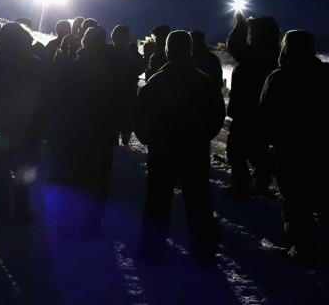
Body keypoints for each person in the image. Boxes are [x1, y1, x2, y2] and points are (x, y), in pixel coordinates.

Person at [135, 30, 226, 267]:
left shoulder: (156, 81)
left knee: (157, 201)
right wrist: (203, 136)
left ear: (167, 51)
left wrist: (148, 139)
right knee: (198, 201)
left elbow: (140, 115)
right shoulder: (204, 82)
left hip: (162, 151)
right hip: (194, 151)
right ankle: (205, 253)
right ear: (190, 50)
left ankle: (151, 250)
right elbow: (217, 115)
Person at [260, 30, 329, 267]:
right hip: (322, 150)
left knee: (296, 204)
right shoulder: (325, 74)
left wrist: (268, 147)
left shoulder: (279, 77)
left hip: (291, 152)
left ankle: (302, 250)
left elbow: (266, 116)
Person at [55, 26, 121, 240]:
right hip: (101, 135)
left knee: (73, 179)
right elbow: (118, 104)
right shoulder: (112, 69)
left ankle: (67, 225)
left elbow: (60, 101)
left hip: (74, 134)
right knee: (98, 183)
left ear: (84, 42)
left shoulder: (73, 67)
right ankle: (91, 227)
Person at [0, 23, 47, 225]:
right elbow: (44, 98)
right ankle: (21, 211)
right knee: (24, 171)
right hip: (27, 126)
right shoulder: (36, 64)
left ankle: (1, 212)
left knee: (0, 170)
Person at [226, 15, 281, 197]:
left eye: (252, 31)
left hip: (247, 112)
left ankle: (244, 186)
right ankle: (262, 184)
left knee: (238, 151)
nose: (249, 34)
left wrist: (240, 24)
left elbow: (234, 46)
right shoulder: (275, 53)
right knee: (257, 151)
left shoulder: (257, 54)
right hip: (263, 114)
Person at [111, 25, 145, 146]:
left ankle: (116, 141)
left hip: (112, 90)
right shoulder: (131, 50)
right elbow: (141, 68)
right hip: (128, 89)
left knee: (115, 116)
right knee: (126, 116)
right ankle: (125, 141)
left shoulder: (109, 51)